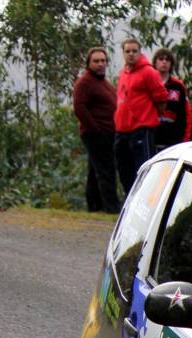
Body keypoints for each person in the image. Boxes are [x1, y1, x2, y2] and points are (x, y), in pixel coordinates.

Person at [114, 38, 167, 194]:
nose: (131, 54)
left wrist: (150, 117)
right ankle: (130, 198)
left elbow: (161, 98)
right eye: (127, 51)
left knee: (143, 167)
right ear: (123, 53)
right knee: (124, 168)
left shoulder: (149, 72)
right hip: (122, 129)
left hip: (142, 128)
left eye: (134, 51)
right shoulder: (123, 73)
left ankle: (146, 199)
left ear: (140, 52)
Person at [72, 47, 120, 214]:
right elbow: (79, 107)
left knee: (95, 171)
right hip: (96, 134)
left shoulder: (102, 81)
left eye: (103, 61)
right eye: (96, 61)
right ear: (89, 63)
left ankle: (94, 205)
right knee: (106, 170)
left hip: (108, 132)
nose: (100, 64)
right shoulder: (84, 82)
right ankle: (112, 208)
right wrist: (95, 128)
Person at [152, 48, 192, 151]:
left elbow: (186, 114)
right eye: (161, 59)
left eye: (167, 60)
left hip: (173, 142)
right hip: (151, 138)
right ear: (155, 62)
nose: (164, 62)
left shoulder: (178, 86)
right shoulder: (149, 84)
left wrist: (185, 140)